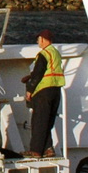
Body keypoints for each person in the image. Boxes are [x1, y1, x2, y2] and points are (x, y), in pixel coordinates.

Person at [23, 29, 65, 158]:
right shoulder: (55, 53)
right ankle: (48, 149)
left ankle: (35, 150)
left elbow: (38, 74)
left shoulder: (43, 54)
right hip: (56, 90)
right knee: (47, 121)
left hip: (43, 90)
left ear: (42, 39)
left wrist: (29, 90)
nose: (37, 42)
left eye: (38, 39)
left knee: (39, 121)